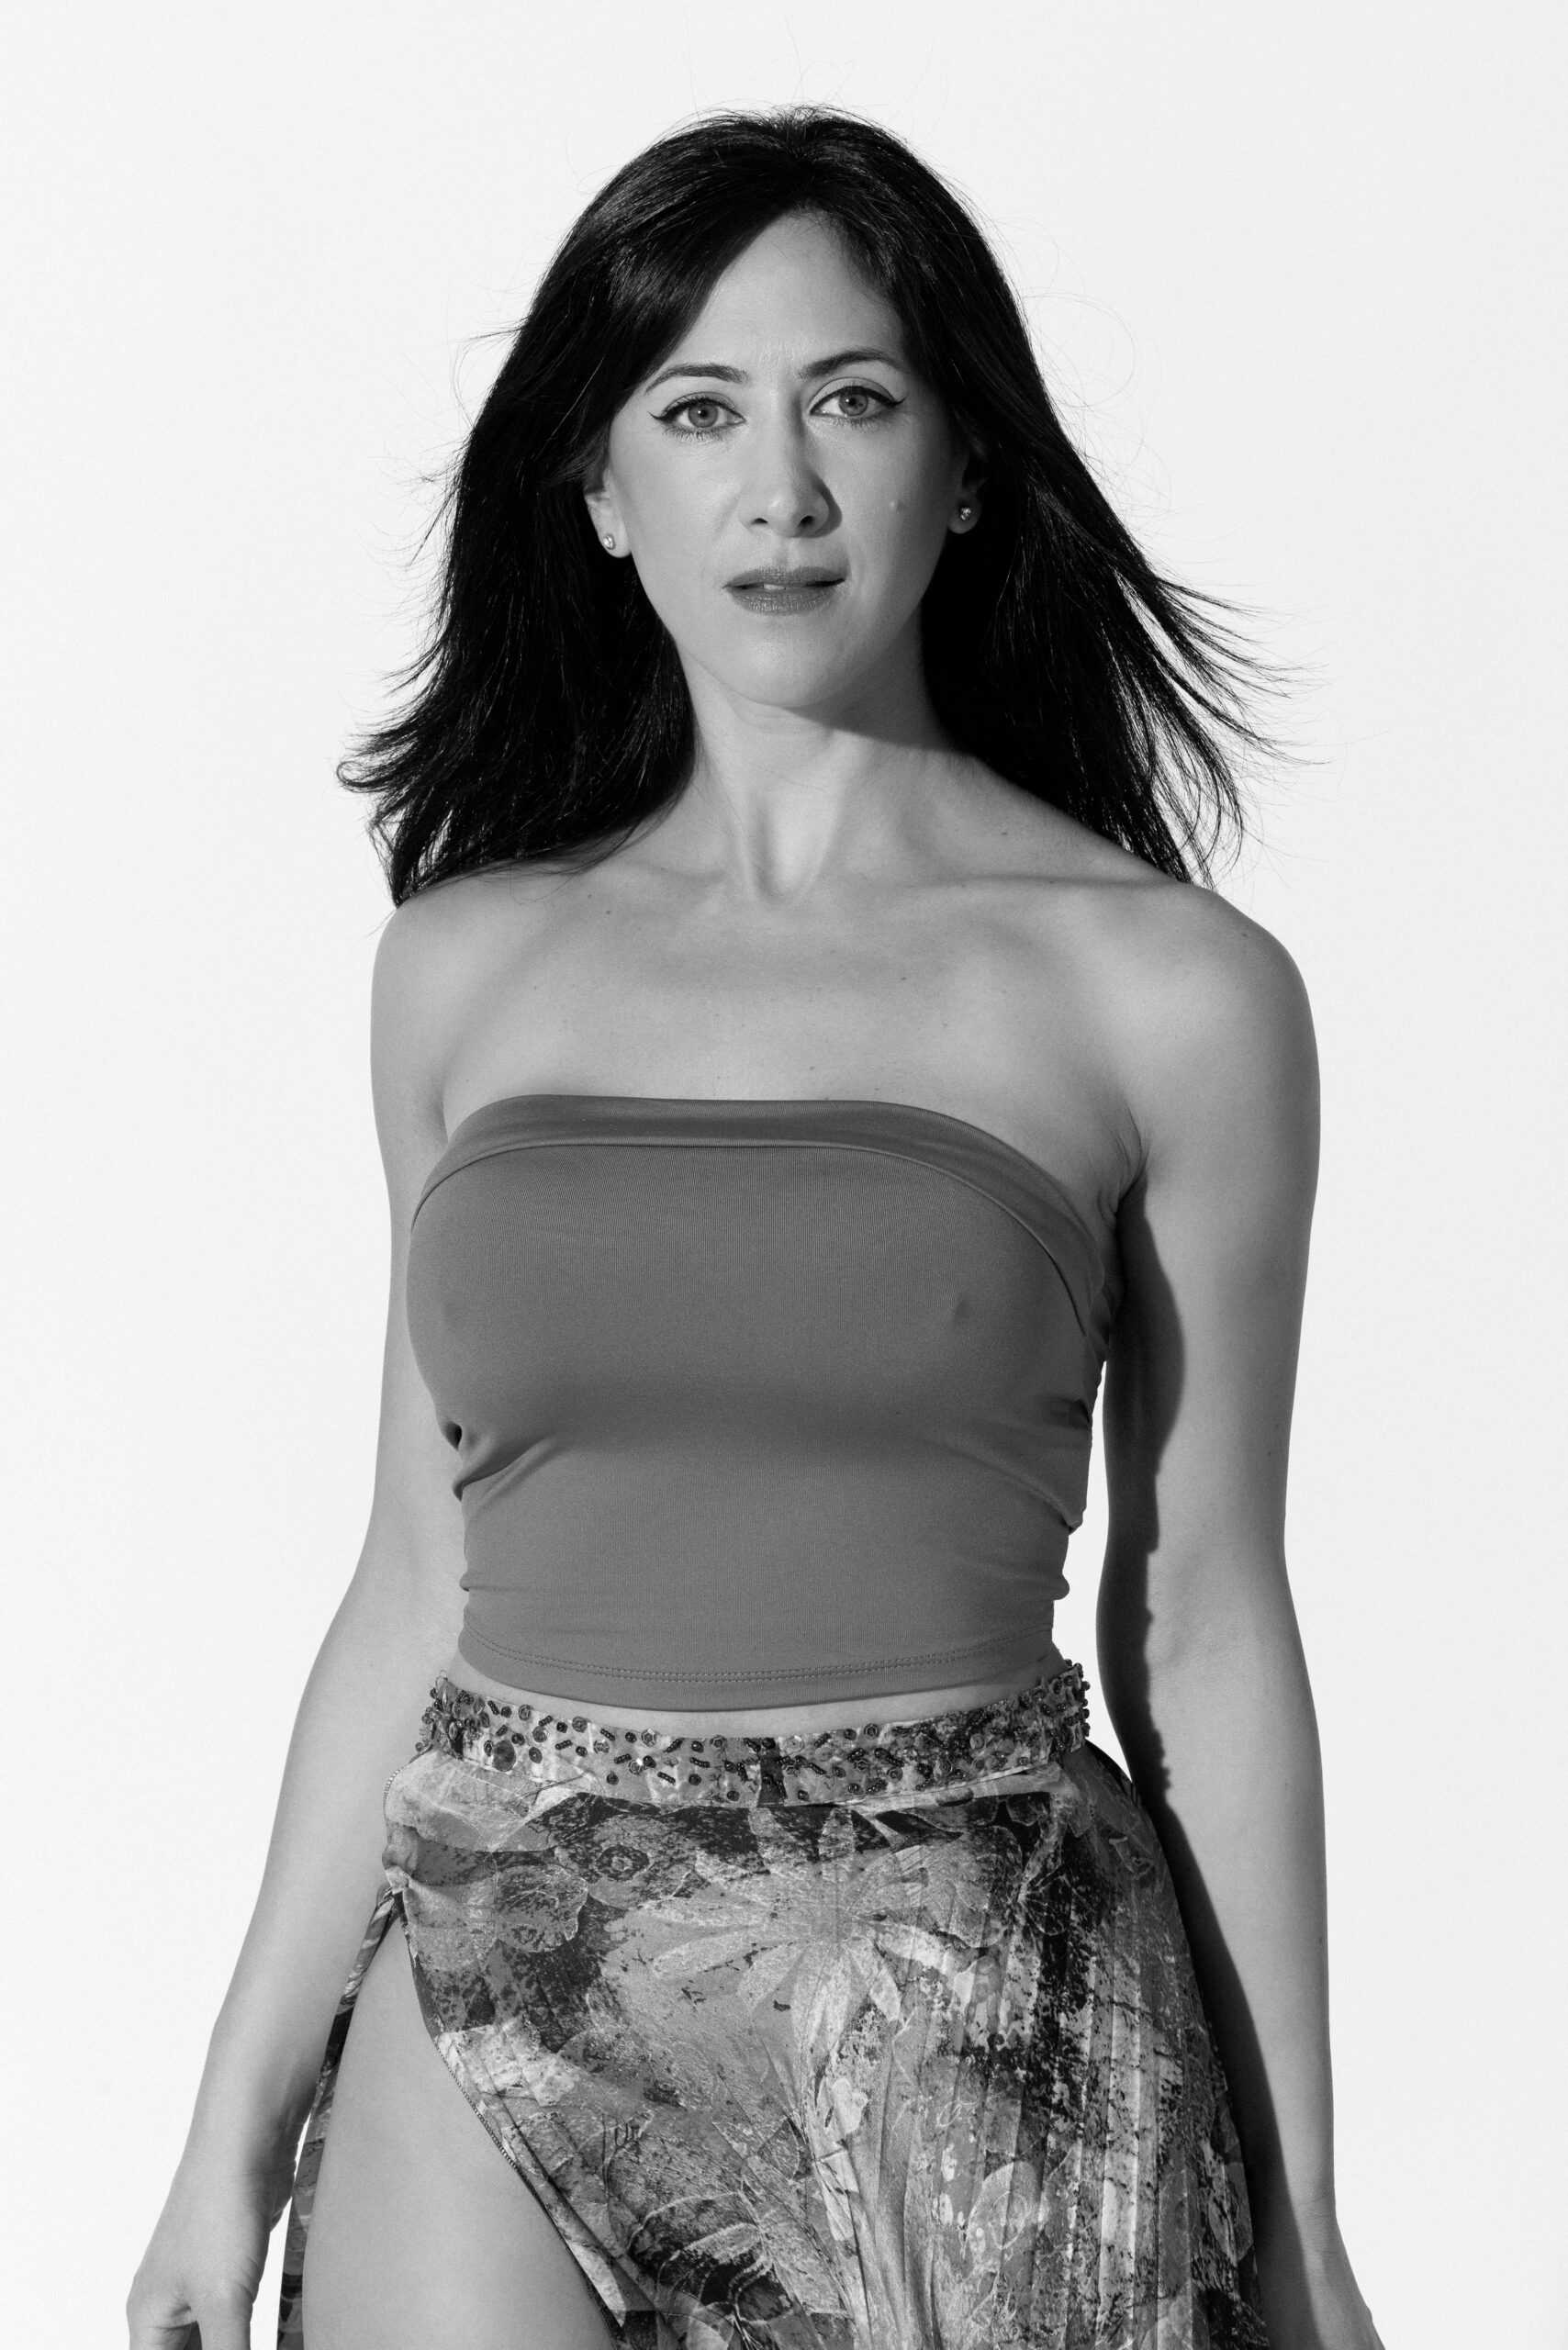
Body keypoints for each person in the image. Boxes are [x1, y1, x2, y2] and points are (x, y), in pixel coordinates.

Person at [128, 107, 1384, 2350]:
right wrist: (221, 2148)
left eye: (853, 401)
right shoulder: (462, 970)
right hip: (501, 1954)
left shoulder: (1164, 990)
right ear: (600, 490)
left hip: (985, 1992)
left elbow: (1200, 1620)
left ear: (965, 466)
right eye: (698, 410)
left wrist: (1301, 2234)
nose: (778, 487)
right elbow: (410, 1574)